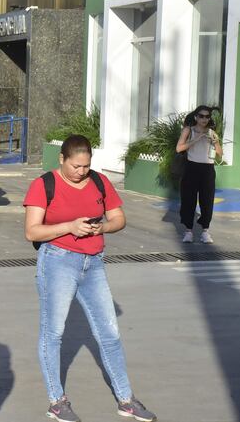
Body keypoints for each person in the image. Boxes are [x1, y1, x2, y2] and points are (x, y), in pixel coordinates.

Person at [23, 135, 156, 422]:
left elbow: (119, 219)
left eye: (86, 166)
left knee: (110, 333)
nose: (81, 171)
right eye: (76, 166)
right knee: (53, 333)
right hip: (57, 262)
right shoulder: (43, 185)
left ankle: (126, 399)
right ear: (62, 159)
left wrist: (102, 228)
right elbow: (32, 231)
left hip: (93, 264)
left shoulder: (99, 181)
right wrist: (69, 226)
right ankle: (56, 401)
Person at [176, 105, 223, 244]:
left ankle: (205, 231)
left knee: (207, 201)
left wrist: (216, 142)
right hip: (191, 168)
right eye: (201, 116)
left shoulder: (212, 132)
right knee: (188, 201)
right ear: (196, 117)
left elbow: (220, 154)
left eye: (207, 116)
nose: (204, 119)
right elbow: (179, 148)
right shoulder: (188, 130)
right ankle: (188, 231)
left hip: (208, 169)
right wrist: (196, 139)